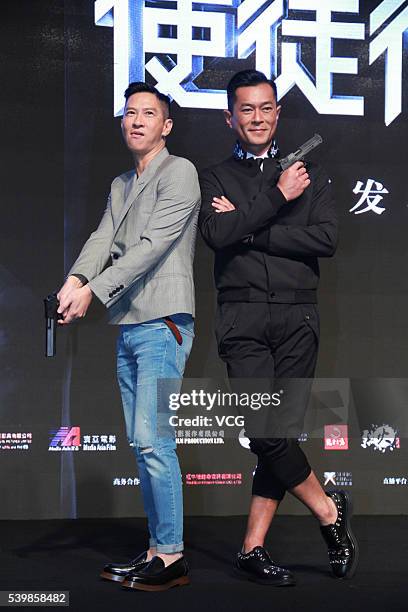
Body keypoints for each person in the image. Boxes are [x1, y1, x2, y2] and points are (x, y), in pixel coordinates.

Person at [198, 69, 358, 585]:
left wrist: (250, 226)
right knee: (266, 431)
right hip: (242, 315)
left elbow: (325, 239)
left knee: (280, 432)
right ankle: (329, 512)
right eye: (247, 109)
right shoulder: (215, 177)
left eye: (267, 107)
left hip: (298, 315)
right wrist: (276, 204)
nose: (258, 117)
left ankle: (252, 546)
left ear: (278, 112)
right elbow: (217, 233)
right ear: (230, 117)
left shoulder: (308, 172)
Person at [57, 82, 200, 591]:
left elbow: (151, 246)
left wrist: (93, 291)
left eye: (148, 113)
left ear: (167, 125)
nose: (136, 120)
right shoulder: (121, 183)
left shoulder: (179, 172)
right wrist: (75, 280)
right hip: (130, 324)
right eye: (129, 113)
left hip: (163, 324)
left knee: (155, 441)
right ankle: (159, 549)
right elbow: (103, 238)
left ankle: (172, 556)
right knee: (144, 443)